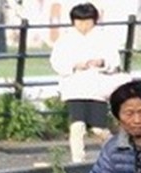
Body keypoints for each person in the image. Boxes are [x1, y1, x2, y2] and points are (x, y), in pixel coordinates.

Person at [49, 2, 123, 164]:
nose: (83, 25)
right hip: (74, 89)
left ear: (94, 20)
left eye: (87, 21)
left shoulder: (104, 38)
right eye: (79, 21)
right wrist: (74, 65)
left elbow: (114, 61)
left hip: (97, 90)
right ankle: (78, 159)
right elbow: (56, 61)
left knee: (98, 128)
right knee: (77, 125)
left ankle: (116, 150)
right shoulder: (66, 39)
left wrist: (102, 62)